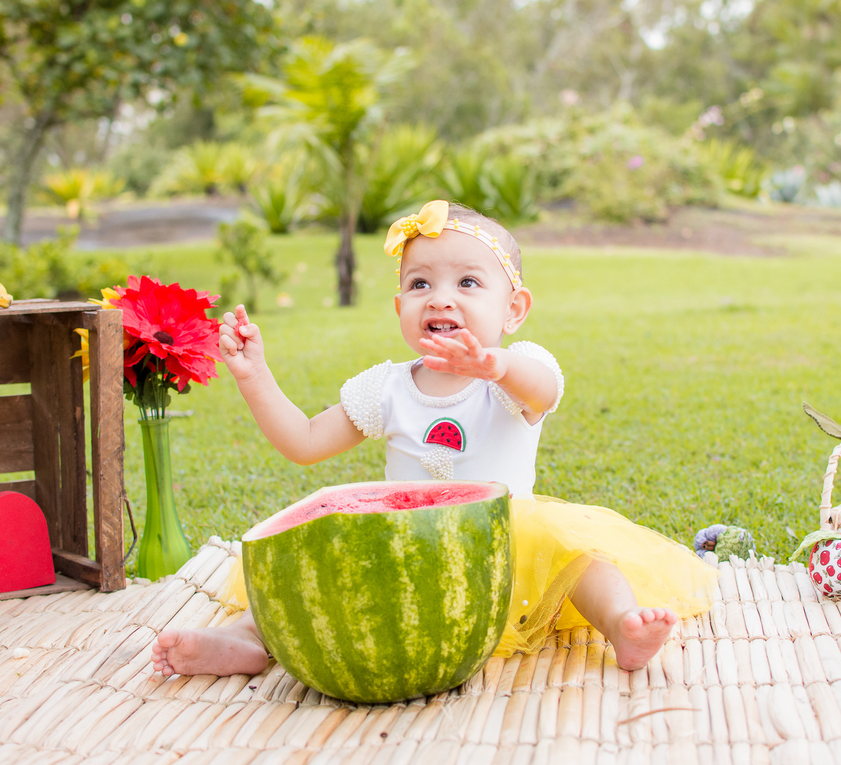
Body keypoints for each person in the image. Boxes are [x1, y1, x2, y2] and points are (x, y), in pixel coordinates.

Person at [151, 200, 717, 678]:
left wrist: (495, 366)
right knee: (316, 573)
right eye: (420, 283)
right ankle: (249, 639)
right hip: (405, 555)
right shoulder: (386, 389)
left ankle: (622, 625)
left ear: (513, 309)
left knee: (581, 561)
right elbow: (303, 442)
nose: (440, 298)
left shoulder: (516, 373)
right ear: (401, 307)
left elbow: (543, 392)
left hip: (507, 552)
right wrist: (254, 375)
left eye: (468, 283)